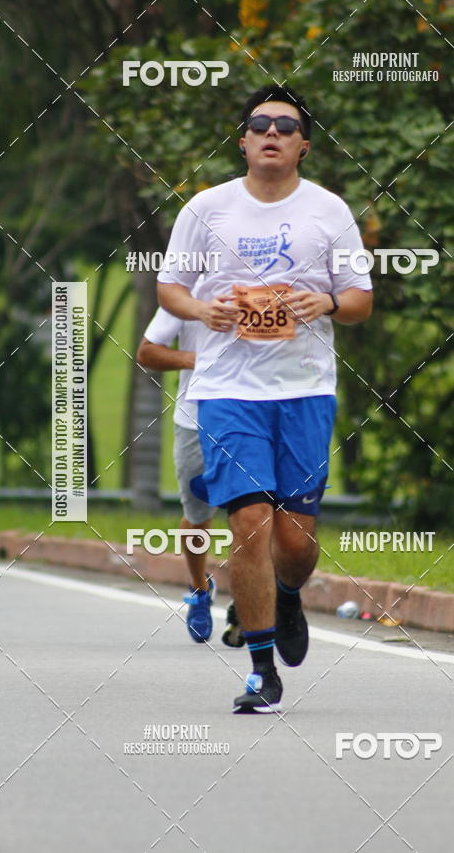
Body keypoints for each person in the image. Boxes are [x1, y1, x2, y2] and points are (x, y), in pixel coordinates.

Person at [157, 84, 372, 713]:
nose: (272, 133)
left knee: (296, 543)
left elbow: (359, 300)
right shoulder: (206, 209)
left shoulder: (329, 212)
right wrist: (203, 309)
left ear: (303, 145)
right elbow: (171, 289)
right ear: (244, 140)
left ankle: (287, 594)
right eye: (260, 124)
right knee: (248, 524)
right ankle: (260, 670)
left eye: (286, 125)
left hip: (304, 390)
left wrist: (325, 301)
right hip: (226, 391)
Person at [137, 307, 245, 648]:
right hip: (195, 419)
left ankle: (246, 601)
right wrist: (196, 359)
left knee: (251, 513)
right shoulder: (185, 293)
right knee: (198, 516)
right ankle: (199, 588)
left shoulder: (264, 281)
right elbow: (147, 352)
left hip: (250, 417)